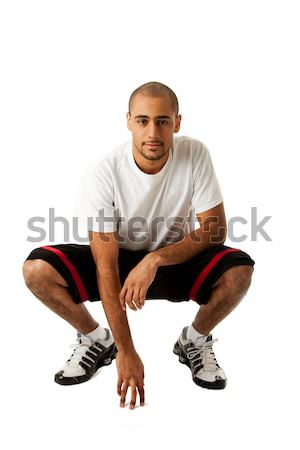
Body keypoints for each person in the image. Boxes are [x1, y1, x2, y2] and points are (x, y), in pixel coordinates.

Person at [22, 81, 255, 410]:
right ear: (129, 121)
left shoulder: (195, 153)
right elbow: (105, 266)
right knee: (37, 270)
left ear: (177, 123)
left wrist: (155, 259)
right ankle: (96, 339)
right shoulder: (103, 172)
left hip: (173, 261)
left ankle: (194, 340)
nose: (153, 133)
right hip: (117, 264)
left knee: (239, 271)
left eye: (162, 121)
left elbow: (215, 230)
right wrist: (126, 351)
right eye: (143, 120)